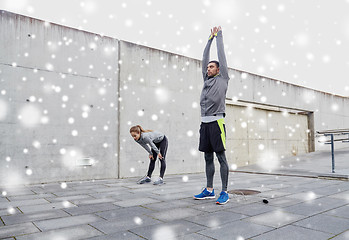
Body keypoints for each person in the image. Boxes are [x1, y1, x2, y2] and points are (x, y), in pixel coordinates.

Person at [193, 26, 230, 205]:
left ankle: (224, 191)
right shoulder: (206, 80)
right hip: (204, 123)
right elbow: (203, 59)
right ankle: (209, 190)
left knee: (221, 157)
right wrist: (208, 40)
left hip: (217, 122)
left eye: (211, 67)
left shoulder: (223, 78)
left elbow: (221, 55)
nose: (208, 68)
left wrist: (218, 37)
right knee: (207, 157)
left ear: (218, 69)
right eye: (207, 67)